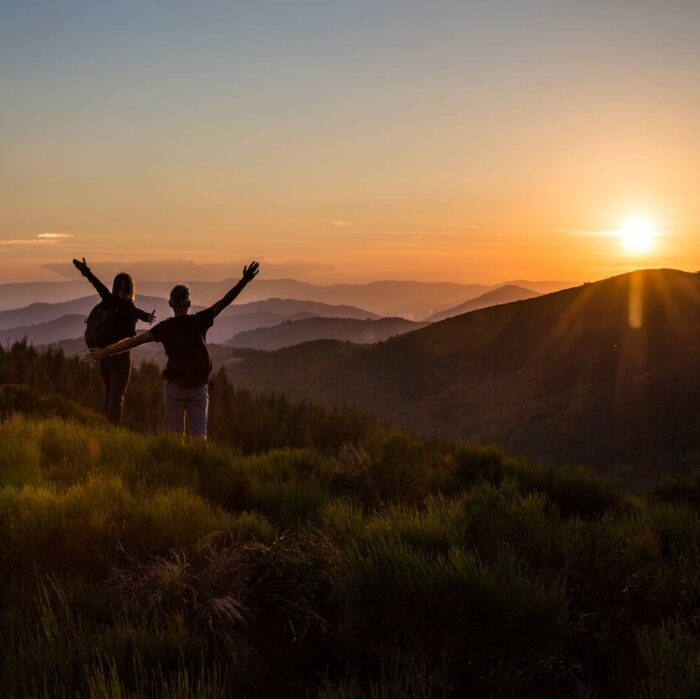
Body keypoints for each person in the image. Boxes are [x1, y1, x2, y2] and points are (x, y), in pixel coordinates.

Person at [86, 261, 259, 438]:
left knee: (174, 438)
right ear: (189, 303)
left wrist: (104, 352)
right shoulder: (200, 320)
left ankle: (175, 459)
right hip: (199, 387)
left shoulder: (165, 328)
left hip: (174, 387)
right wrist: (244, 281)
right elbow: (224, 302)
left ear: (170, 304)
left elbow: (134, 341)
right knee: (199, 437)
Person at [73, 258, 156, 425]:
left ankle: (104, 427)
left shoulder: (108, 300)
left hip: (103, 355)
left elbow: (97, 284)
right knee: (117, 397)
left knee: (110, 394)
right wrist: (148, 317)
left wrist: (86, 271)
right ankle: (113, 429)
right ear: (131, 288)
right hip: (120, 356)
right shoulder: (127, 306)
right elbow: (136, 312)